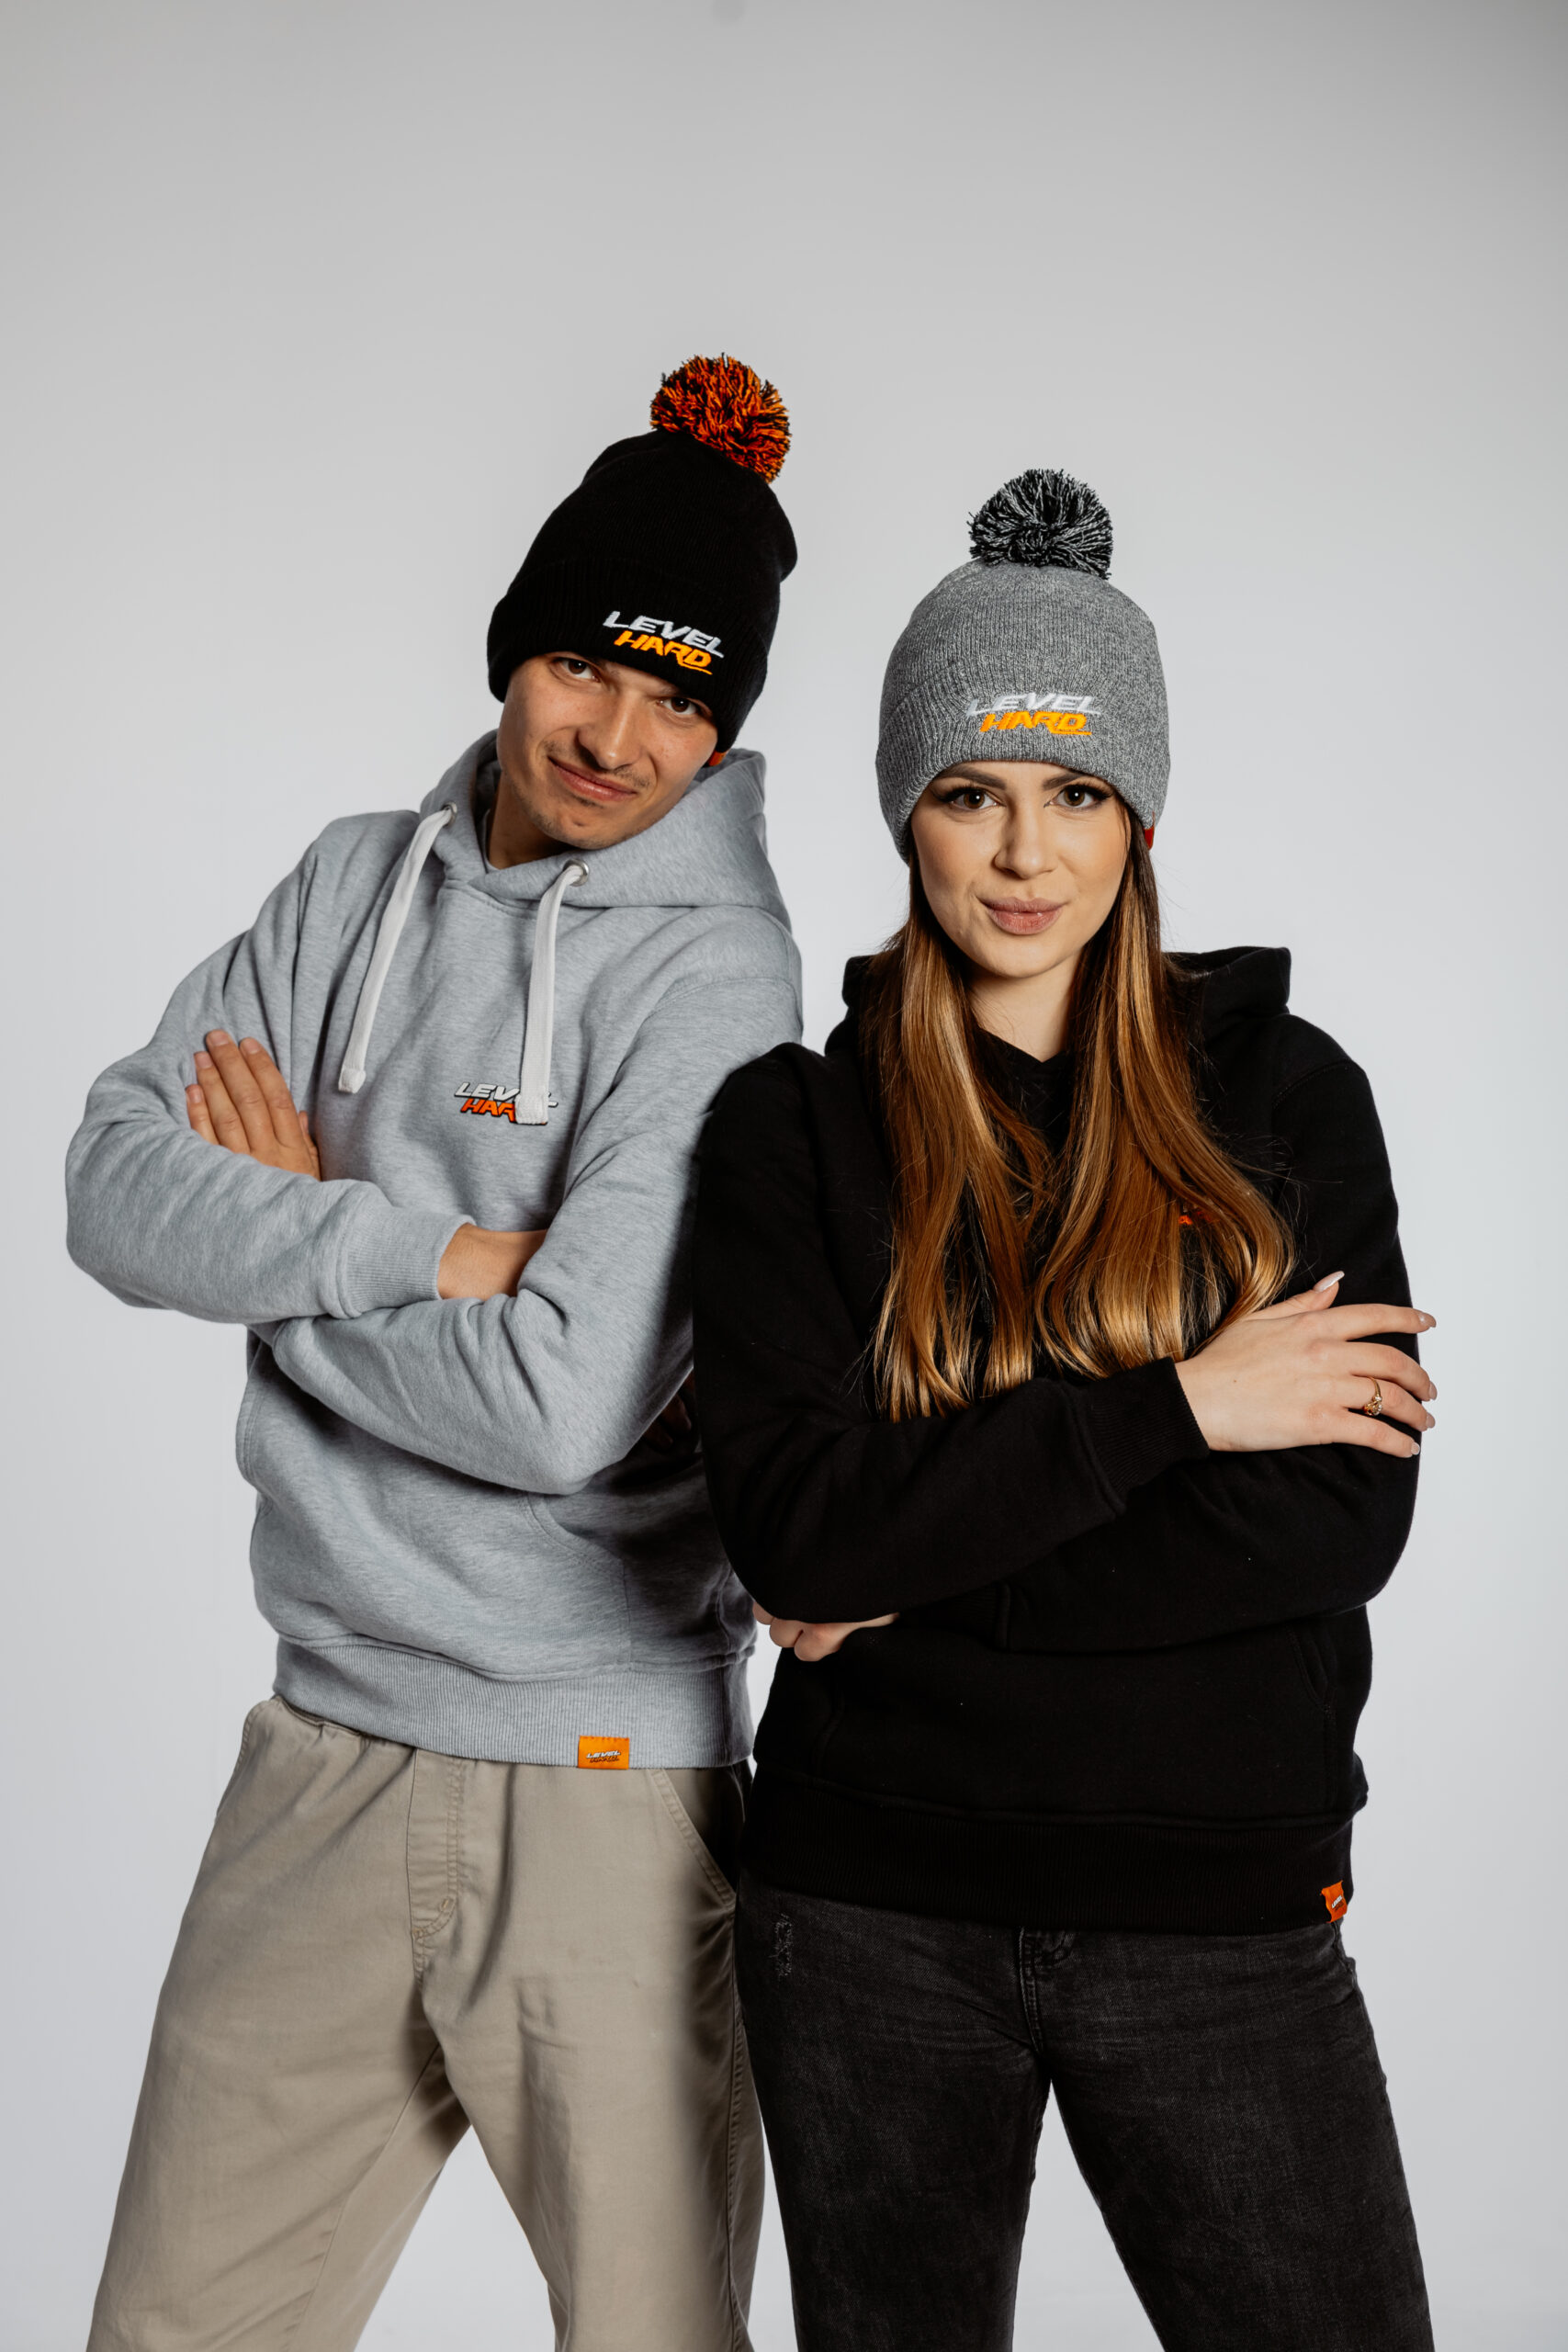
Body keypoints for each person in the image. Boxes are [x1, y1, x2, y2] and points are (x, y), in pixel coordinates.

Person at [66, 355, 801, 2352]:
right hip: (319, 1744)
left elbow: (562, 1400)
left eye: (678, 701)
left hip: (601, 1779)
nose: (617, 736)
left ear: (723, 726)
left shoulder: (719, 975)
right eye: (585, 666)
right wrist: (427, 1250)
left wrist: (277, 1254)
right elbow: (111, 1183)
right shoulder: (346, 886)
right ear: (513, 651)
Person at [694, 468, 1437, 2352]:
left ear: (1139, 816)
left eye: (1075, 792)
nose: (1024, 853)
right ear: (906, 814)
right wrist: (1182, 1410)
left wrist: (910, 1552)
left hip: (1221, 1909)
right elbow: (794, 1530)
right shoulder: (793, 1126)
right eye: (970, 791)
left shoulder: (1285, 1096)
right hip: (867, 1916)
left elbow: (1338, 1520)